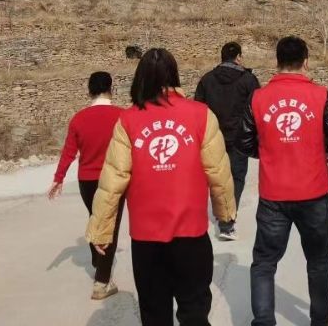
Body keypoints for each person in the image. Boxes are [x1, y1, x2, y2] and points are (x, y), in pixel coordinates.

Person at [86, 48, 235, 326]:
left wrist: (101, 230)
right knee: (194, 312)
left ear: (140, 78)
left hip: (146, 239)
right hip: (191, 236)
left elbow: (113, 180)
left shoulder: (128, 120)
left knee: (154, 314)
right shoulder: (201, 114)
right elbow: (218, 171)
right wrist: (225, 212)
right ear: (174, 75)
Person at [237, 36, 328, 326]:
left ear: (277, 61)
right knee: (318, 261)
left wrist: (270, 150)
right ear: (306, 61)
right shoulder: (320, 96)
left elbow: (243, 141)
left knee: (264, 263)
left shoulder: (258, 98)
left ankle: (263, 322)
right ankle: (321, 318)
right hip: (312, 193)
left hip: (273, 195)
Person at [48, 71, 125, 300]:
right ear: (111, 89)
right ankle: (102, 282)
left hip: (87, 181)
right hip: (113, 180)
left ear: (89, 91)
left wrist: (58, 178)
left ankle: (97, 260)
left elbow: (69, 152)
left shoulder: (78, 119)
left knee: (95, 218)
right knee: (109, 227)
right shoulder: (122, 116)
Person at [194, 41, 260, 241]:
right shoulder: (248, 80)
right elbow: (257, 109)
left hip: (212, 137)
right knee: (236, 178)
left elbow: (198, 110)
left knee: (216, 178)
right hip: (239, 138)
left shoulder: (207, 80)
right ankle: (227, 221)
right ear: (238, 57)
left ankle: (219, 213)